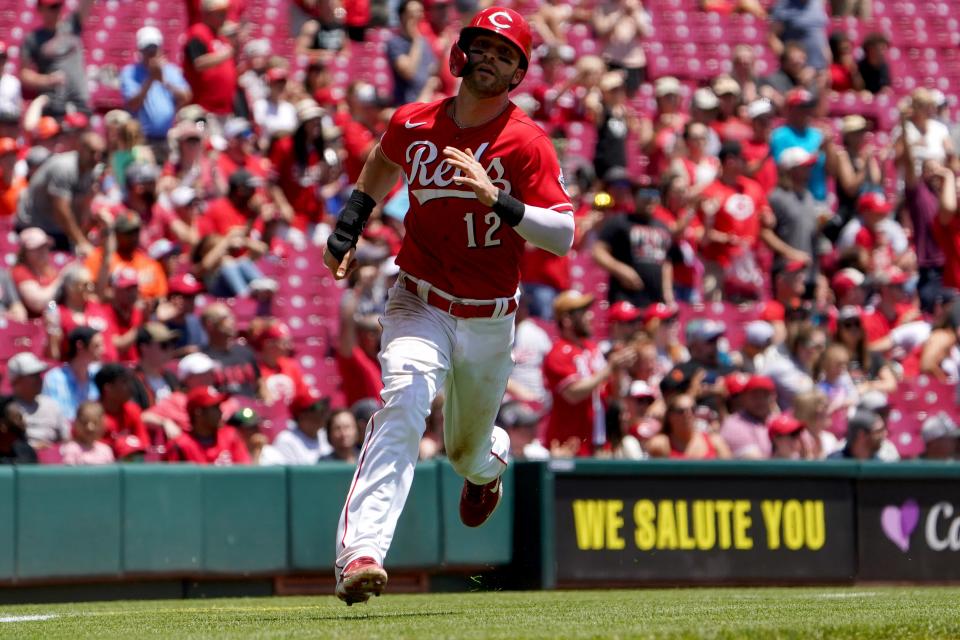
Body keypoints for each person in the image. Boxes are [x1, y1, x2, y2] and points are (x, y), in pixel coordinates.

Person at [322, 7, 575, 605]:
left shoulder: (526, 141)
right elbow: (386, 157)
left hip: (489, 316)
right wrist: (352, 220)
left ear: (518, 72)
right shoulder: (416, 121)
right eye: (482, 45)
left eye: (505, 53)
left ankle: (489, 464)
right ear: (463, 53)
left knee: (465, 450)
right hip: (420, 299)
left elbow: (563, 235)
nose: (490, 57)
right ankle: (361, 553)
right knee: (405, 400)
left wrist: (500, 201)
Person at [543, 291, 634, 456]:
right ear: (567, 319)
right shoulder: (558, 353)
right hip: (569, 446)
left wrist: (619, 369)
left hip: (598, 444)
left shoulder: (592, 349)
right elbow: (573, 394)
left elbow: (615, 394)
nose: (590, 316)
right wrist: (610, 367)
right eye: (583, 311)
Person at [16, 133, 105, 254]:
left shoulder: (92, 170)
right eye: (92, 152)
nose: (96, 157)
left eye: (100, 153)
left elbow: (81, 206)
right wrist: (80, 242)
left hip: (55, 227)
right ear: (80, 148)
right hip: (33, 224)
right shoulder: (64, 167)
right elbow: (61, 210)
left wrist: (83, 235)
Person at [593, 184, 675, 307]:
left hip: (656, 299)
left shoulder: (662, 227)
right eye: (645, 195)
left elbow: (666, 263)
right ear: (634, 196)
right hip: (626, 298)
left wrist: (668, 294)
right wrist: (621, 270)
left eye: (654, 195)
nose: (650, 200)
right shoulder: (620, 222)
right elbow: (598, 252)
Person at [120, 26, 192, 161]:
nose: (151, 54)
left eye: (154, 49)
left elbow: (186, 96)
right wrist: (150, 80)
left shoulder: (171, 71)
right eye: (147, 50)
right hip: (142, 141)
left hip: (168, 138)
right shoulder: (130, 72)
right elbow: (133, 104)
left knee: (200, 124)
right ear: (140, 51)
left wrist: (164, 81)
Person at [19, 0, 96, 116]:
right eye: (52, 7)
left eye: (59, 5)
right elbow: (24, 74)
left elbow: (87, 3)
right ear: (40, 9)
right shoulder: (33, 39)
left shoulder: (72, 25)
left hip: (79, 100)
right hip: (53, 104)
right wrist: (47, 80)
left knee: (87, 134)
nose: (56, 10)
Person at [165, 385, 250, 464]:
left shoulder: (230, 436)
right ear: (198, 413)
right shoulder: (180, 445)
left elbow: (245, 473)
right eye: (215, 408)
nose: (220, 412)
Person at [183, 0, 239, 116]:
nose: (224, 16)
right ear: (207, 14)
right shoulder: (198, 32)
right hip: (201, 111)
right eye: (219, 13)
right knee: (200, 131)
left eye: (225, 12)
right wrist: (225, 54)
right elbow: (198, 63)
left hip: (223, 111)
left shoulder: (221, 37)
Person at [8, 352, 69, 449]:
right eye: (33, 375)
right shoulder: (6, 409)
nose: (39, 379)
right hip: (20, 462)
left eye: (39, 374)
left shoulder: (52, 406)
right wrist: (33, 448)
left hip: (52, 462)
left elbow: (66, 440)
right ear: (16, 380)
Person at [41, 326, 103, 421]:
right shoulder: (54, 379)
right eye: (96, 346)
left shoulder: (99, 374)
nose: (103, 350)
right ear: (80, 346)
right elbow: (52, 415)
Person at [201, 302, 261, 397]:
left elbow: (259, 384)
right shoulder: (202, 358)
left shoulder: (245, 351)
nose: (232, 321)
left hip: (249, 408)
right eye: (226, 318)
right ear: (210, 325)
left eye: (232, 317)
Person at [386, 0, 439, 106]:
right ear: (402, 16)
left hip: (427, 100)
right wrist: (416, 39)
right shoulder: (395, 43)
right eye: (412, 13)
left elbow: (433, 70)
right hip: (407, 103)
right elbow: (408, 72)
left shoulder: (424, 41)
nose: (417, 17)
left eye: (419, 12)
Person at [646, 393, 730, 459]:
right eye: (680, 411)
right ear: (670, 416)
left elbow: (730, 472)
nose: (688, 414)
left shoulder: (714, 442)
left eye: (692, 409)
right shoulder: (661, 444)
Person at [94, 363, 150, 459]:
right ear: (108, 388)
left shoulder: (133, 410)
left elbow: (144, 444)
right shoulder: (92, 415)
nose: (131, 387)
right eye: (124, 382)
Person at [719, 374, 777, 458]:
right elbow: (755, 463)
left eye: (765, 395)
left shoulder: (779, 419)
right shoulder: (734, 424)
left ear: (774, 397)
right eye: (755, 395)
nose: (760, 400)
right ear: (743, 397)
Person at [60, 401, 116, 465]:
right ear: (76, 423)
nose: (90, 428)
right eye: (84, 422)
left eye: (95, 423)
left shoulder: (106, 450)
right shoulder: (70, 449)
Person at [0, 397, 37, 465]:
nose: (24, 424)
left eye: (22, 418)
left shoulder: (26, 453)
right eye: (18, 418)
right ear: (2, 425)